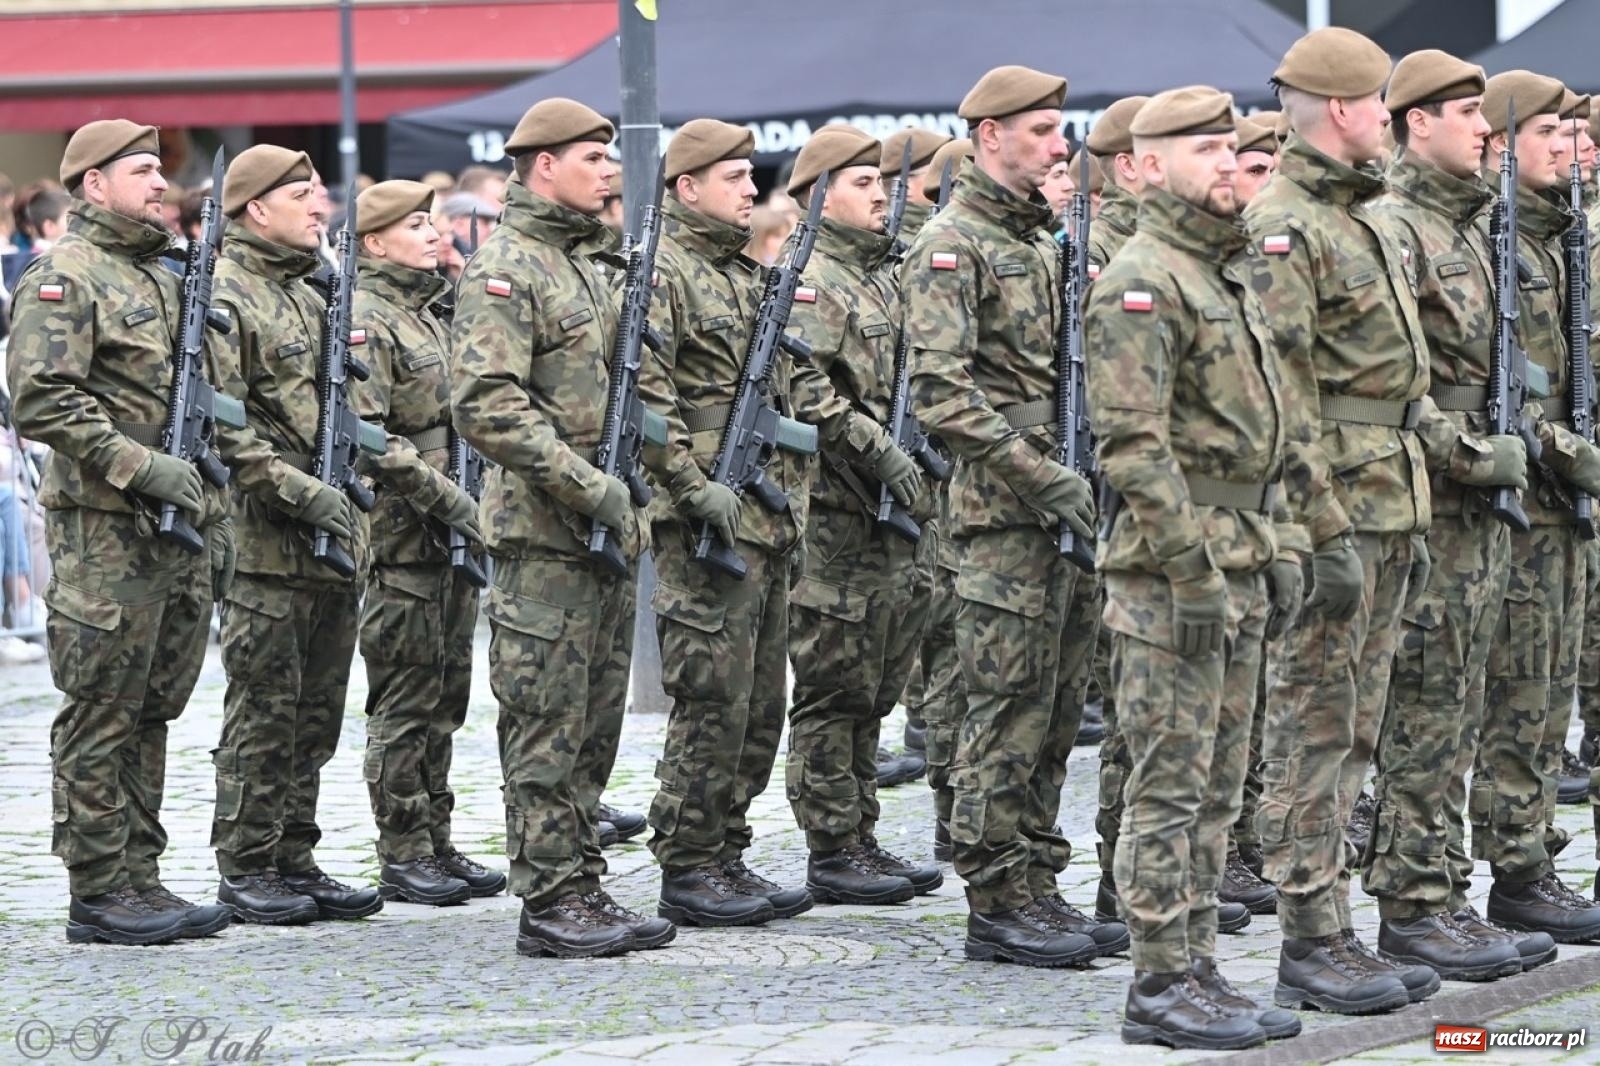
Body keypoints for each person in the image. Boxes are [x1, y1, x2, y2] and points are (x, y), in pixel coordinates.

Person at [1246, 27, 1510, 1012]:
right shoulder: (1287, 221)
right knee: (1315, 730)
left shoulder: (1350, 215)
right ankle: (1310, 938)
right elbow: (1283, 393)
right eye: (1467, 114)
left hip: (1391, 500)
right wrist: (1318, 527)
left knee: (1358, 730)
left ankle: (1365, 922)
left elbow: (1398, 384)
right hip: (1340, 513)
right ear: (1357, 109)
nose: (1483, 131)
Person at [1089, 85, 1305, 1050]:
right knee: (1170, 784)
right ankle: (1158, 981)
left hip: (1240, 562)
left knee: (1221, 783)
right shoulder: (1141, 279)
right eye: (1205, 149)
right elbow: (1132, 447)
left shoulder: (1219, 272)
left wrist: (1285, 542)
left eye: (1231, 148)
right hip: (1172, 579)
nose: (1226, 164)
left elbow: (1268, 429)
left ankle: (1202, 961)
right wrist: (1193, 572)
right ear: (1150, 163)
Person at [903, 65, 1122, 967]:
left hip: (1067, 503)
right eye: (1037, 131)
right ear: (989, 137)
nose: (1057, 144)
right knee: (1004, 710)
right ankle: (997, 899)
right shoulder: (953, 244)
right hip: (1004, 515)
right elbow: (941, 396)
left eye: (1057, 130)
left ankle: (1037, 879)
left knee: (1059, 708)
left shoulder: (1048, 242)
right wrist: (1042, 477)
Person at [451, 99, 670, 958]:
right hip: (546, 535)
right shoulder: (508, 266)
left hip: (606, 530)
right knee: (545, 719)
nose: (611, 170)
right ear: (543, 164)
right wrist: (589, 486)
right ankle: (548, 899)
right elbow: (485, 404)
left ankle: (582, 877)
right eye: (593, 157)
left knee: (592, 720)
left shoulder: (590, 264)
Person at [6, 120, 232, 945]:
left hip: (175, 528)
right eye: (139, 171)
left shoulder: (163, 278)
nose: (158, 184)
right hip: (106, 526)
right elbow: (42, 399)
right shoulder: (67, 275)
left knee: (152, 707)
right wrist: (140, 467)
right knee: (102, 706)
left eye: (159, 170)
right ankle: (99, 887)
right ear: (92, 185)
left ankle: (141, 873)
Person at [1363, 51, 1555, 979]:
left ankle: (1446, 889)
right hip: (1434, 501)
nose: (1484, 127)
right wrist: (1476, 455)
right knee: (1426, 704)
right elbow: (1399, 382)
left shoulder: (1473, 223)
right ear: (1414, 122)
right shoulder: (1397, 226)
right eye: (1466, 111)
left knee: (1464, 700)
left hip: (1484, 504)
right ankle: (1412, 905)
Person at [637, 118, 822, 928]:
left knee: (758, 704)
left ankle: (727, 849)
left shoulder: (744, 275)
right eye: (735, 176)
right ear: (687, 187)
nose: (752, 188)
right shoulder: (664, 273)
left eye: (753, 176)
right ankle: (688, 858)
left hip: (768, 522)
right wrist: (689, 487)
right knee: (711, 697)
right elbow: (648, 405)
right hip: (707, 522)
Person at [206, 144, 383, 926]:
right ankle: (246, 863)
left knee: (316, 712)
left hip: (331, 540)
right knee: (263, 712)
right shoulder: (227, 293)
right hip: (264, 545)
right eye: (302, 195)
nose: (321, 207)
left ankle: (293, 852)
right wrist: (300, 492)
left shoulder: (315, 292)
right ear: (255, 209)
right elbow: (223, 423)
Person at [781, 125, 941, 906]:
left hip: (894, 516)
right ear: (818, 195)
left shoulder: (884, 274)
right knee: (833, 682)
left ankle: (862, 833)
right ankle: (832, 843)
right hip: (840, 515)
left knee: (876, 682)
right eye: (861, 184)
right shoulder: (809, 277)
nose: (881, 195)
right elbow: (808, 394)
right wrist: (883, 453)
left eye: (881, 182)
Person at [1469, 71, 1600, 941]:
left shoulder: (1560, 234)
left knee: (1550, 691)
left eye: (1570, 131)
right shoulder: (1494, 234)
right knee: (1515, 691)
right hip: (1522, 489)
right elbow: (1493, 386)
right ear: (1502, 141)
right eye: (1549, 131)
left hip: (1564, 501)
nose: (1569, 145)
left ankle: (1533, 860)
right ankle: (1511, 870)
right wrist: (1567, 452)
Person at [348, 180, 502, 907]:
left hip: (453, 537)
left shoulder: (432, 312)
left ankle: (437, 835)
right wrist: (454, 502)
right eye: (418, 225)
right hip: (407, 536)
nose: (437, 235)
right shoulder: (369, 317)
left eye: (435, 223)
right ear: (376, 241)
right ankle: (403, 848)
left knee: (446, 696)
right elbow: (371, 437)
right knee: (405, 700)